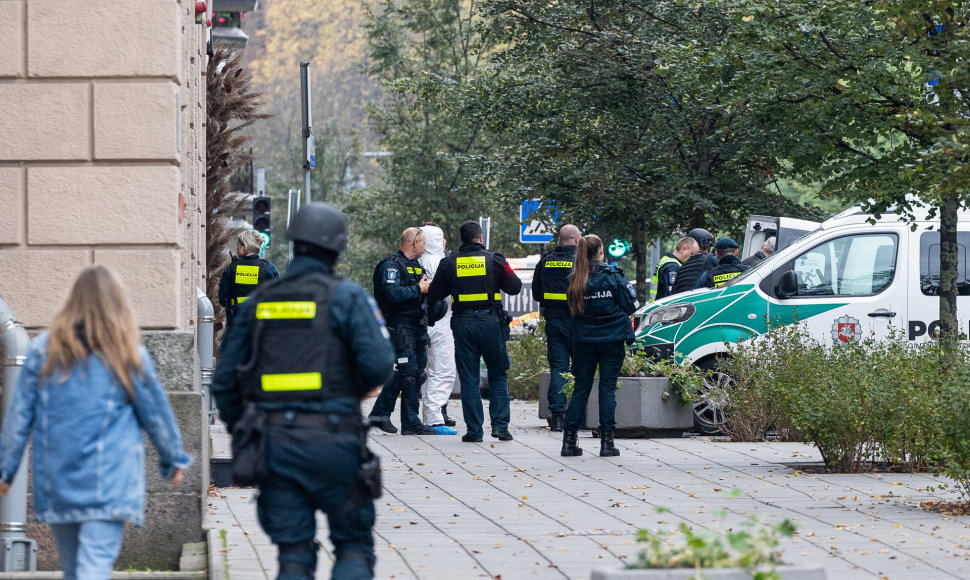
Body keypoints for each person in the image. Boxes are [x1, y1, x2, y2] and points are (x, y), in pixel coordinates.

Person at [211, 202, 396, 580]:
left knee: (294, 554)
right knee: (353, 548)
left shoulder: (259, 303)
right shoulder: (348, 298)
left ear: (294, 243)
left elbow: (224, 382)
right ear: (338, 248)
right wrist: (347, 394)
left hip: (275, 445)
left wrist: (243, 429)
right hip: (336, 442)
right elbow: (380, 365)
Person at [0, 266, 192, 580]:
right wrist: (173, 460)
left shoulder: (43, 352)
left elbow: (19, 417)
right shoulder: (127, 355)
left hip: (59, 480)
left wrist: (6, 470)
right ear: (118, 306)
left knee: (76, 571)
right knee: (93, 568)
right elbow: (155, 414)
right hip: (110, 483)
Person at [428, 220, 522, 442]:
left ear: (461, 239)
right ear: (480, 238)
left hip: (463, 325)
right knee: (498, 374)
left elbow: (434, 295)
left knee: (469, 378)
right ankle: (500, 427)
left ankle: (474, 431)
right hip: (491, 324)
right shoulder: (495, 259)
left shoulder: (449, 262)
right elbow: (515, 287)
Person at [368, 228, 455, 436]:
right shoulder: (391, 266)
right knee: (407, 374)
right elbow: (392, 294)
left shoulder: (417, 266)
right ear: (413, 242)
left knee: (416, 374)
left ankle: (380, 413)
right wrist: (419, 290)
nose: (425, 246)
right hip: (399, 328)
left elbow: (425, 295)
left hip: (418, 328)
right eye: (422, 242)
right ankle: (410, 423)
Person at [560, 235, 639, 458]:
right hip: (611, 341)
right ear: (601, 251)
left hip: (583, 342)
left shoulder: (574, 279)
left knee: (580, 389)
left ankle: (568, 442)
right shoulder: (613, 276)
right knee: (607, 389)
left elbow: (568, 310)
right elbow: (632, 305)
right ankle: (607, 443)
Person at [532, 224, 581, 432]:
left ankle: (558, 417)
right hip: (578, 323)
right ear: (577, 239)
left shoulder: (546, 260)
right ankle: (578, 417)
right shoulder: (582, 261)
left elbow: (536, 293)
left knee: (559, 369)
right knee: (581, 369)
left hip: (554, 321)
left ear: (560, 239)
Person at [418, 223, 458, 429]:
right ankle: (434, 417)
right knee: (443, 369)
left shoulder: (417, 260)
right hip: (441, 321)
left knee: (427, 371)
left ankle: (431, 414)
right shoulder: (442, 262)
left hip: (421, 321)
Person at [218, 230, 280, 327]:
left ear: (244, 246)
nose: (237, 247)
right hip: (262, 326)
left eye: (238, 244)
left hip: (237, 324)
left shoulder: (231, 269)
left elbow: (223, 299)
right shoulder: (269, 268)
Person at [650, 236, 699, 302]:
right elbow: (672, 296)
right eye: (692, 254)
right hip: (664, 309)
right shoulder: (672, 267)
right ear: (683, 249)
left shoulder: (666, 260)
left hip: (657, 306)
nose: (693, 258)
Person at [671, 228, 716, 294]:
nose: (706, 253)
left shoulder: (681, 269)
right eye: (702, 249)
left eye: (708, 249)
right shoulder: (676, 267)